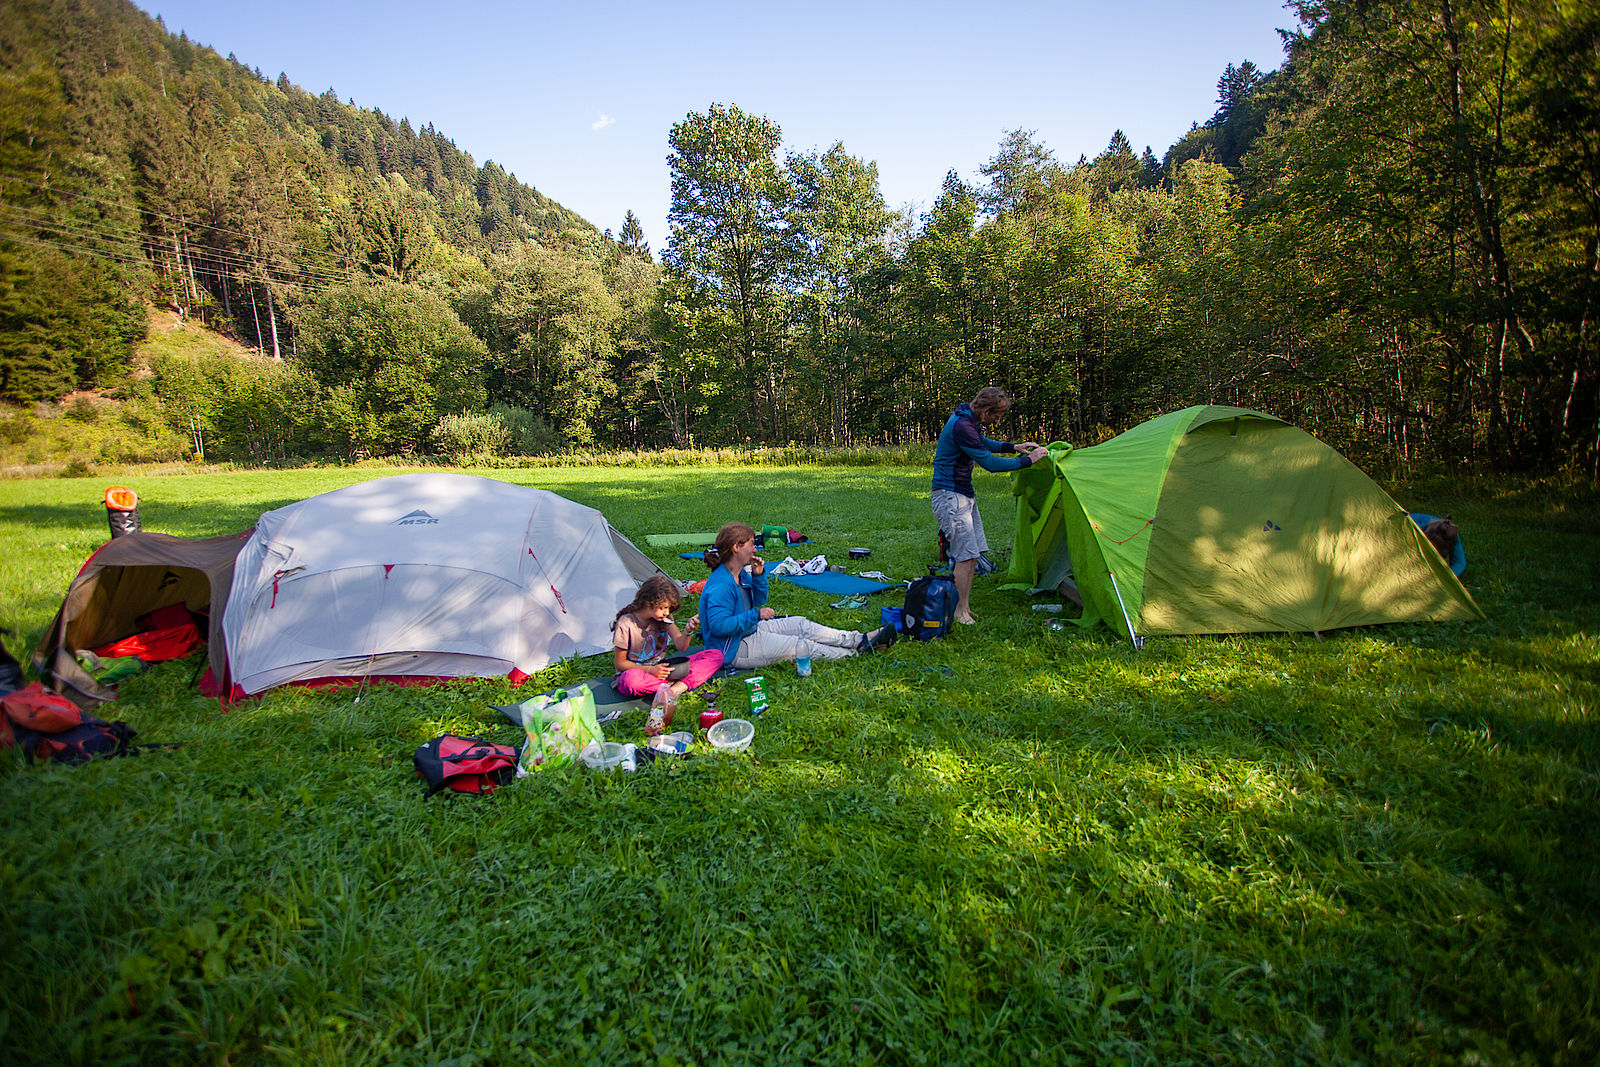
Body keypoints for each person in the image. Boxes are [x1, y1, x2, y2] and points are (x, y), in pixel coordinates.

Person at [700, 523, 896, 669]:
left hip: (749, 630)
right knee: (800, 646)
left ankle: (859, 640)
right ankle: (855, 655)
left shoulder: (740, 573)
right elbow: (718, 627)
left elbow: (759, 600)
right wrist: (756, 615)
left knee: (800, 624)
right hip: (734, 649)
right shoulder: (721, 586)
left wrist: (759, 576)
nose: (755, 549)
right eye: (751, 544)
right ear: (736, 547)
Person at [931, 386, 1049, 624]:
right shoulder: (963, 425)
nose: (997, 419)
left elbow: (982, 442)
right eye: (996, 415)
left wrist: (1013, 447)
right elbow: (990, 464)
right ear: (985, 409)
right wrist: (1027, 460)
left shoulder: (967, 417)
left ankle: (963, 607)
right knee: (964, 557)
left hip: (962, 494)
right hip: (951, 496)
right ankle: (958, 611)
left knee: (972, 556)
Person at [612, 574, 725, 735]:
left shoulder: (665, 618)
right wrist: (651, 670)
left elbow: (681, 645)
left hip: (663, 671)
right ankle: (674, 687)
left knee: (716, 655)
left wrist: (688, 632)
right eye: (663, 608)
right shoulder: (627, 623)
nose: (666, 612)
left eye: (668, 608)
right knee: (631, 681)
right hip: (639, 674)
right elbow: (620, 664)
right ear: (649, 603)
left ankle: (674, 689)